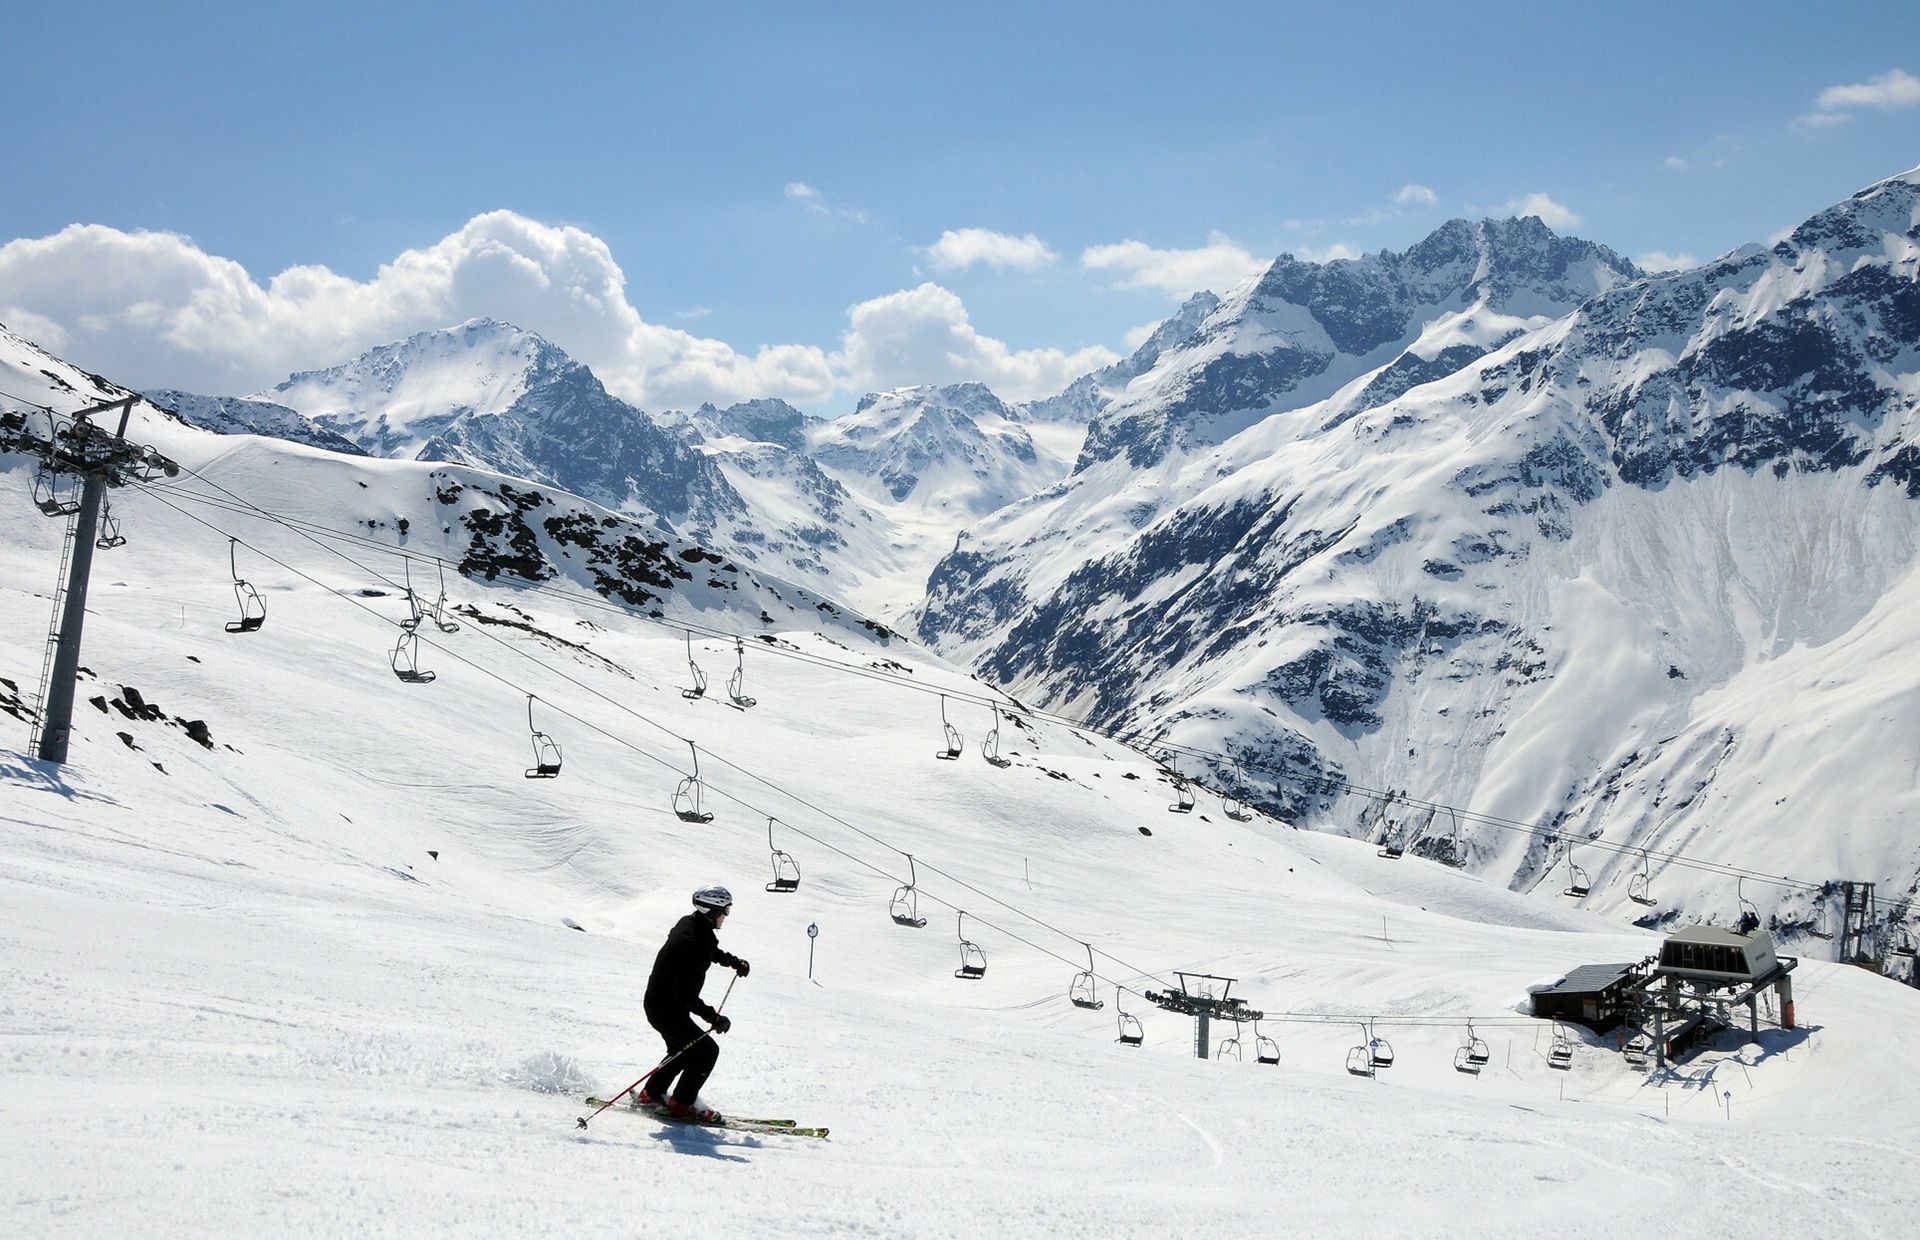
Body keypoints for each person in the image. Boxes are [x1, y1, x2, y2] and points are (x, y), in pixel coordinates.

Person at [636, 885, 751, 1123]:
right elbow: (685, 995)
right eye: (725, 911)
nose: (726, 916)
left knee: (682, 1051)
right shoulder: (691, 943)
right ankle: (681, 1106)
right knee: (706, 1051)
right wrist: (714, 1018)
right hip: (667, 1008)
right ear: (710, 911)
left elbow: (709, 949)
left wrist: (732, 962)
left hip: (661, 1004)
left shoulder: (693, 926)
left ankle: (651, 1094)